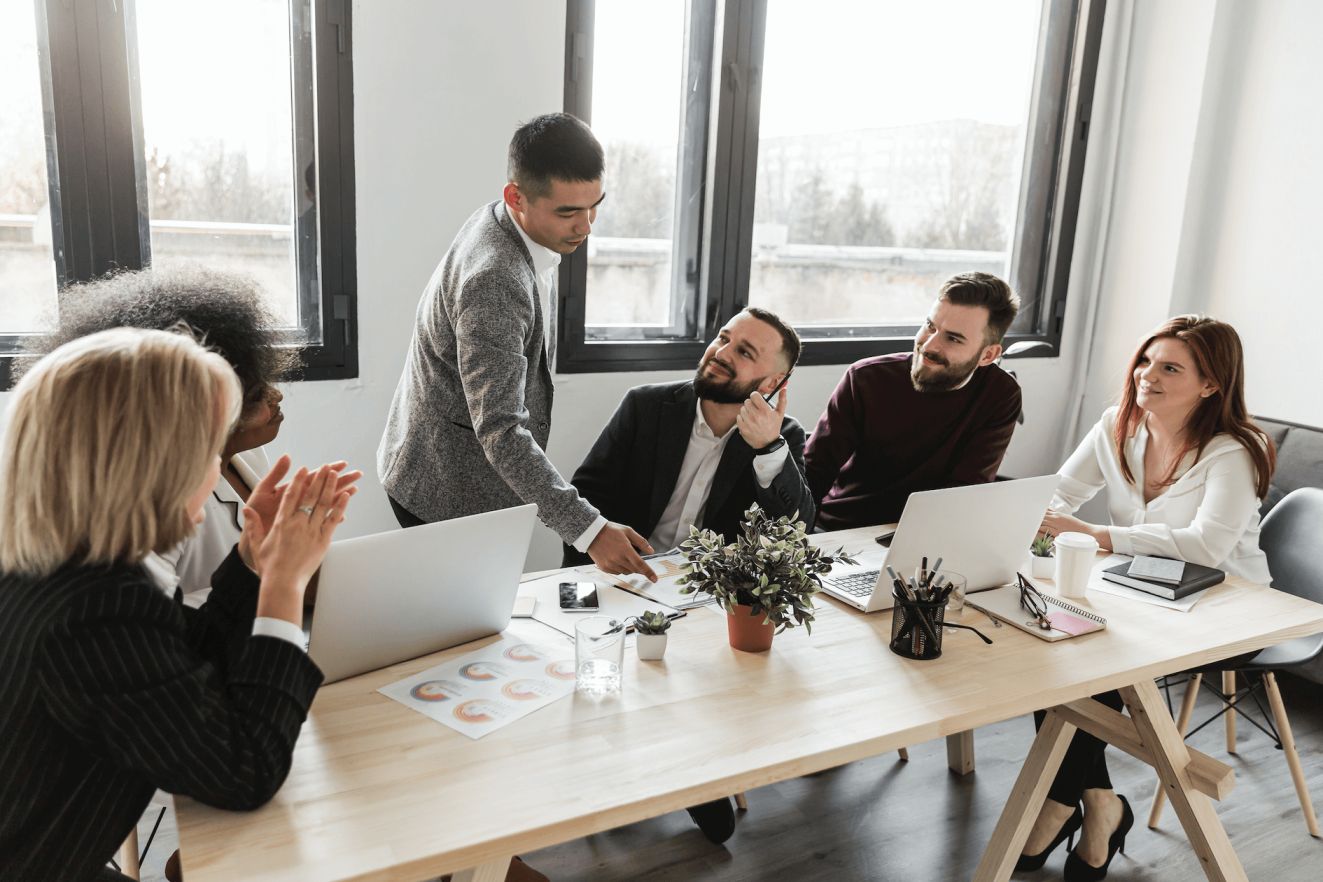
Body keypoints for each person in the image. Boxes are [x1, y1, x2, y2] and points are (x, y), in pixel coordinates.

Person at [0, 328, 355, 882]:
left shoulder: (66, 568)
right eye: (205, 452)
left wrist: (252, 562)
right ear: (149, 468)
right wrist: (286, 585)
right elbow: (246, 771)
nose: (217, 472)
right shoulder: (95, 615)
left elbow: (180, 668)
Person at [1021, 315, 1275, 880]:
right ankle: (1095, 804)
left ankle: (1065, 805)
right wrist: (1031, 516)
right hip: (1138, 593)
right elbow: (1061, 491)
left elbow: (1207, 547)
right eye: (1144, 360)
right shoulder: (1117, 425)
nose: (1146, 375)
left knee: (1091, 660)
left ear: (1211, 384)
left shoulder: (1233, 450)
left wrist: (1097, 535)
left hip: (1231, 609)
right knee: (1052, 642)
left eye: (1169, 368)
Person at [561, 306, 811, 846]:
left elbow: (795, 532)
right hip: (610, 578)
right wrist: (601, 540)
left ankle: (694, 777)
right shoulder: (647, 407)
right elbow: (583, 497)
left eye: (744, 352)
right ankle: (603, 769)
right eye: (724, 338)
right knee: (586, 666)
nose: (721, 352)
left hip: (698, 599)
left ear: (771, 383)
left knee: (704, 673)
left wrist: (769, 449)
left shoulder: (782, 438)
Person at [378, 112, 657, 582]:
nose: (586, 226)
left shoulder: (511, 222)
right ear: (516, 197)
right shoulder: (496, 279)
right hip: (445, 489)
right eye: (568, 212)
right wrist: (588, 530)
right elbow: (502, 429)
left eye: (594, 206)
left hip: (441, 462)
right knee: (466, 633)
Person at [22, 265, 299, 604]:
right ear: (187, 410)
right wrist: (279, 583)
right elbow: (166, 619)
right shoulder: (139, 509)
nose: (277, 397)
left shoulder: (250, 459)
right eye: (255, 394)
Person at [803, 272, 1022, 529]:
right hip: (843, 530)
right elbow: (813, 476)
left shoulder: (1000, 395)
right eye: (930, 326)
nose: (929, 345)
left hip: (925, 535)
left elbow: (964, 493)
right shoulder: (865, 379)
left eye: (952, 338)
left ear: (988, 355)